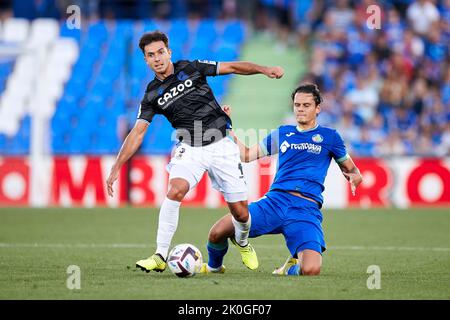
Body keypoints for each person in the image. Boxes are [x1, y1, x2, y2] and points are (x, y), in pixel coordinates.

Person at [105, 30, 284, 273]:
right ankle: (160, 255)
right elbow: (137, 132)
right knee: (175, 190)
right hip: (189, 147)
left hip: (221, 144)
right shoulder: (151, 95)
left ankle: (242, 242)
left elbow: (232, 67)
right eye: (151, 55)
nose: (157, 58)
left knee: (241, 213)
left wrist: (263, 69)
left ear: (169, 52)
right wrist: (117, 166)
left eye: (160, 52)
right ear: (145, 60)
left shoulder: (192, 67)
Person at [200, 83, 363, 275]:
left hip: (305, 210)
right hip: (275, 203)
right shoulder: (282, 133)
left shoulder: (330, 137)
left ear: (318, 108)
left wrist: (353, 178)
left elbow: (353, 171)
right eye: (297, 105)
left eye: (306, 105)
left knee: (311, 269)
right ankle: (214, 267)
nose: (300, 109)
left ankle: (288, 269)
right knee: (217, 232)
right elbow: (246, 155)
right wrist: (227, 129)